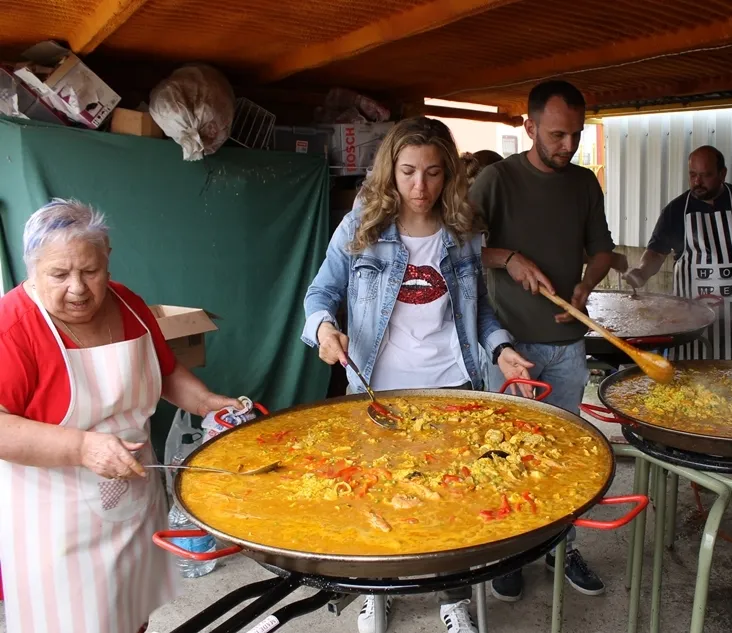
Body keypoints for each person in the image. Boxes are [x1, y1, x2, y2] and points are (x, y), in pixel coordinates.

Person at [301, 117, 534, 633]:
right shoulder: (361, 225)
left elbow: (480, 311)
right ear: (391, 170)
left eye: (432, 173)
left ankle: (453, 598)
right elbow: (321, 294)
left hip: (452, 384)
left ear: (448, 174)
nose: (419, 186)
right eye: (407, 172)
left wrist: (500, 349)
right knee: (377, 492)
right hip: (377, 389)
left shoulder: (463, 232)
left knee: (454, 496)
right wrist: (323, 329)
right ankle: (376, 591)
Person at [0, 199, 243, 633]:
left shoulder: (128, 303)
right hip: (58, 525)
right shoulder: (13, 325)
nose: (78, 288)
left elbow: (164, 370)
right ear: (31, 268)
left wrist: (205, 402)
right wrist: (81, 447)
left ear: (107, 257)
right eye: (59, 274)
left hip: (133, 504)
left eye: (90, 271)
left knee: (131, 614)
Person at [468, 80, 616, 602]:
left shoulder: (583, 183)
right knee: (505, 453)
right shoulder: (496, 180)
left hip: (568, 344)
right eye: (557, 135)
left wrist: (586, 284)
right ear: (529, 127)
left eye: (576, 134)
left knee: (566, 455)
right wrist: (508, 258)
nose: (568, 146)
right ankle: (508, 552)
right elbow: (458, 248)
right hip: (508, 346)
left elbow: (602, 249)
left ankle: (561, 546)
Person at [622, 145, 732, 361]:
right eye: (693, 175)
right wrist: (642, 272)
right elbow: (656, 253)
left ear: (722, 173)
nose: (697, 182)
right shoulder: (676, 210)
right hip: (691, 321)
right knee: (692, 374)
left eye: (706, 175)